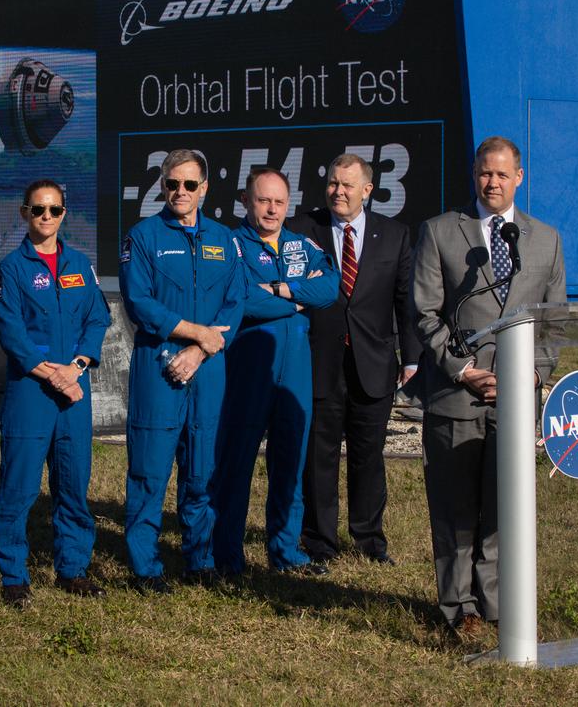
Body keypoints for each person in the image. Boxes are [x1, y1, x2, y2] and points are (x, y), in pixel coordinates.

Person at [410, 135, 566, 637]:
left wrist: (530, 376)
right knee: (455, 509)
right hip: (456, 394)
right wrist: (461, 368)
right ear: (474, 175)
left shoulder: (546, 240)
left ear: (519, 177)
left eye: (501, 174)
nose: (492, 182)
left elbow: (555, 323)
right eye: (484, 173)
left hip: (516, 401)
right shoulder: (439, 233)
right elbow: (425, 314)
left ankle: (498, 604)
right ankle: (458, 610)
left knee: (503, 507)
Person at [118, 149, 246, 594]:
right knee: (150, 471)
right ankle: (145, 566)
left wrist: (201, 351)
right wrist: (195, 336)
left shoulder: (224, 239)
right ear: (162, 184)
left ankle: (200, 559)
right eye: (173, 183)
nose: (180, 192)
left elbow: (234, 302)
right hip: (160, 368)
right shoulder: (143, 236)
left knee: (203, 470)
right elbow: (140, 303)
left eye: (190, 184)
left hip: (208, 370)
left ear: (205, 188)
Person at [287, 154, 421, 567]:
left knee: (368, 455)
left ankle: (368, 539)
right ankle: (319, 541)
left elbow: (406, 300)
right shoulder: (301, 229)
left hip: (374, 363)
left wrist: (411, 357)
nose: (337, 192)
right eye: (332, 183)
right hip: (318, 360)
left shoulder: (395, 235)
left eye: (347, 185)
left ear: (367, 190)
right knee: (318, 456)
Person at [0, 179, 111, 607]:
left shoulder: (79, 264)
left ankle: (73, 569)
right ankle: (13, 576)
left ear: (64, 214)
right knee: (19, 486)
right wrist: (53, 375)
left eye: (54, 210)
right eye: (38, 210)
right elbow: (11, 333)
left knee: (74, 483)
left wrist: (76, 367)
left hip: (73, 389)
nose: (46, 217)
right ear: (24, 213)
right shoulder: (11, 269)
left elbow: (97, 319)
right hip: (31, 392)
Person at [211, 167, 337, 578]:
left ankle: (285, 550)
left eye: (279, 202)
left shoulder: (302, 245)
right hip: (248, 366)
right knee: (236, 462)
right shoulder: (230, 244)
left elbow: (331, 288)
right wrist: (299, 300)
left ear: (289, 205)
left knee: (291, 459)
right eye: (263, 200)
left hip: (295, 367)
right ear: (245, 201)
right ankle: (227, 553)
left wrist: (281, 290)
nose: (271, 209)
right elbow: (243, 298)